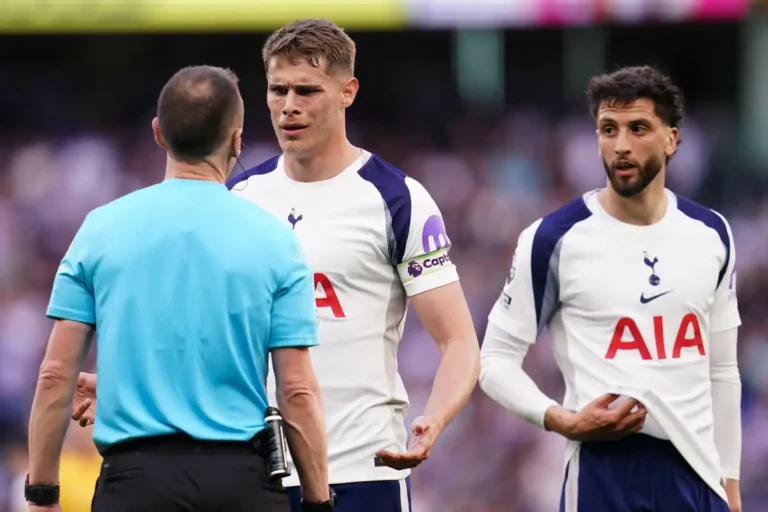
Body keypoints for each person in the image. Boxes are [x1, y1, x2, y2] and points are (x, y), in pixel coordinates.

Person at [73, 18, 480, 512]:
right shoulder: (238, 197)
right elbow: (202, 327)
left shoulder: (397, 199)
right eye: (277, 89)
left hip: (363, 468)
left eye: (307, 91)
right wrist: (124, 384)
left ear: (347, 91)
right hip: (252, 475)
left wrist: (433, 419)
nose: (289, 106)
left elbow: (458, 341)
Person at [25, 65, 333, 512]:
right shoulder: (276, 242)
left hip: (134, 484)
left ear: (158, 133)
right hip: (242, 483)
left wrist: (42, 494)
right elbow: (298, 390)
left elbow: (55, 376)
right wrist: (318, 501)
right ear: (236, 140)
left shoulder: (100, 230)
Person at [479, 65, 742, 512]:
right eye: (608, 129)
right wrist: (563, 420)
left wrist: (731, 490)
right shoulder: (553, 239)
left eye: (638, 128)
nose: (620, 145)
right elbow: (494, 362)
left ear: (672, 139)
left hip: (700, 479)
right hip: (604, 476)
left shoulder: (712, 232)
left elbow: (722, 371)